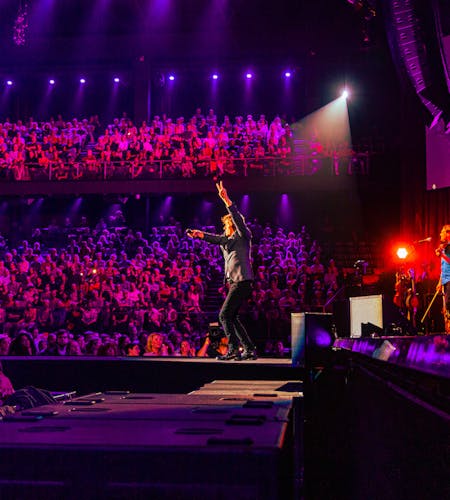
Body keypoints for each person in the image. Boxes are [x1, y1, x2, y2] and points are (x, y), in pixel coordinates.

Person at [187, 180, 257, 360]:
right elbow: (216, 239)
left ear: (231, 226)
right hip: (235, 282)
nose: (223, 229)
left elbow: (238, 220)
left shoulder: (242, 236)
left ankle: (233, 349)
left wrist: (226, 200)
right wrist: (200, 235)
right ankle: (249, 349)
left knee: (224, 315)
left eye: (225, 226)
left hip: (242, 281)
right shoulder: (227, 241)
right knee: (232, 316)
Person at [435, 224, 450, 334]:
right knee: (445, 307)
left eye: (442, 232)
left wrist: (441, 255)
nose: (440, 234)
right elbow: (443, 267)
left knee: (449, 305)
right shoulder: (444, 247)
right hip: (445, 280)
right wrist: (440, 282)